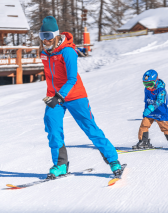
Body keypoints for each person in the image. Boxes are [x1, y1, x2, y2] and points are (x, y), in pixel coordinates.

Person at [39, 16, 122, 178]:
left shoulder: (67, 52)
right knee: (52, 127)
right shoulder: (44, 53)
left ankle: (113, 161)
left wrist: (59, 95)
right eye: (42, 36)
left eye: (48, 36)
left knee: (90, 128)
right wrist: (52, 95)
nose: (45, 40)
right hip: (54, 97)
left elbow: (72, 79)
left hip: (75, 96)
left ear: (55, 35)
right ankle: (61, 165)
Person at [133, 69, 168, 151]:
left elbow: (160, 101)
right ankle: (144, 142)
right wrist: (146, 110)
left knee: (165, 127)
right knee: (144, 125)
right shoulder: (147, 89)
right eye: (145, 84)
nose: (148, 87)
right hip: (150, 112)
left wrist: (151, 108)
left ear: (156, 81)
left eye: (150, 84)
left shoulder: (161, 90)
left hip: (160, 112)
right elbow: (147, 100)